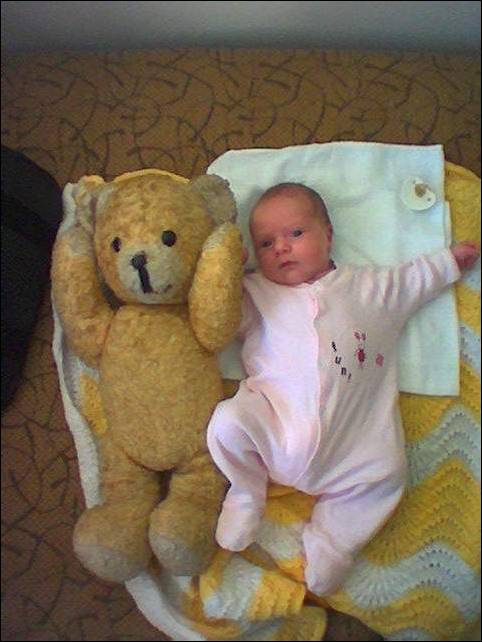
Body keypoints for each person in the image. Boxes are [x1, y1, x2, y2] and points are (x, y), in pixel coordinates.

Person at [207, 182, 480, 596]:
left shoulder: (371, 290)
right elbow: (218, 314)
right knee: (227, 422)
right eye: (265, 243)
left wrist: (449, 262)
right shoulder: (256, 294)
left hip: (353, 453)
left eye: (295, 233)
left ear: (328, 235)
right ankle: (246, 491)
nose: (281, 248)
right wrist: (226, 271)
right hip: (275, 433)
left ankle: (332, 543)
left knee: (388, 474)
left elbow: (413, 281)